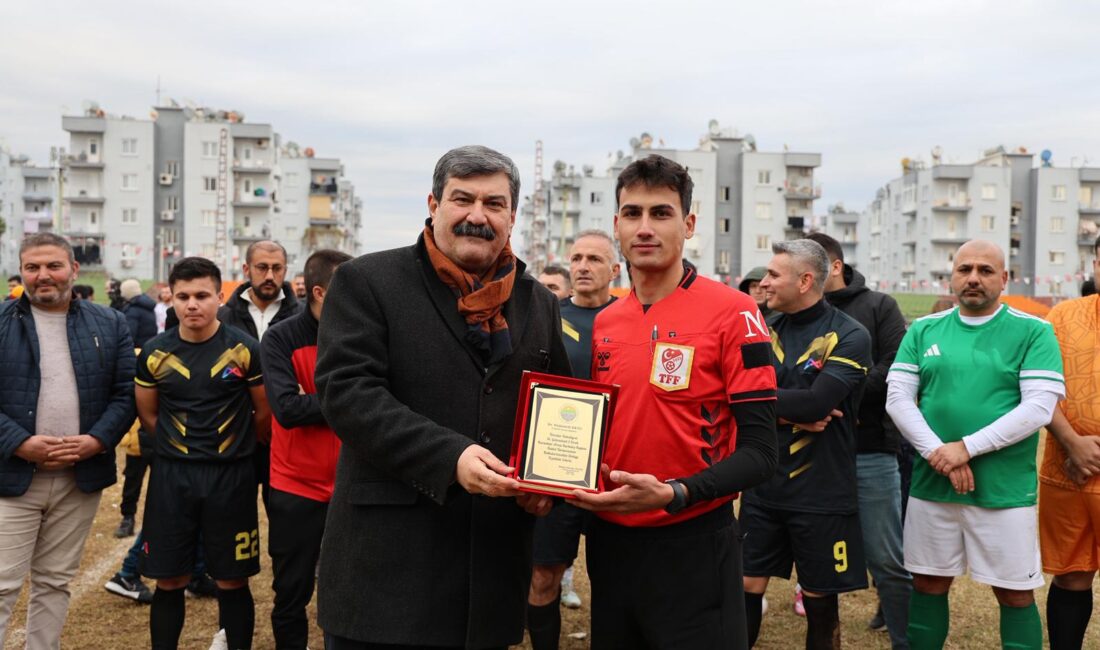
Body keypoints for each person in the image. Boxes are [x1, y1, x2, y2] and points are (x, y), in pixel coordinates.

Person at [314, 145, 571, 649]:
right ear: (433, 204)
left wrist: (552, 480)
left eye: (494, 204)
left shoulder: (537, 300)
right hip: (387, 578)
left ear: (512, 216)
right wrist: (450, 457)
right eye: (463, 199)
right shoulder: (367, 281)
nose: (478, 215)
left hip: (492, 577)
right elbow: (349, 395)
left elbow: (557, 403)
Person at [568, 154, 777, 649]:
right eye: (632, 213)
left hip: (693, 539)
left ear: (688, 224)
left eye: (660, 213)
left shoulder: (735, 311)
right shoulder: (607, 322)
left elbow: (761, 453)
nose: (645, 227)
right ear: (616, 224)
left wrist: (676, 492)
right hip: (609, 540)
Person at [886, 240, 1064, 650]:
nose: (973, 277)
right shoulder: (923, 329)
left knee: (1015, 592)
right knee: (928, 583)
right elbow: (898, 399)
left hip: (1004, 490)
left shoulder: (1034, 330)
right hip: (932, 483)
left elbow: (1039, 407)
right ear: (951, 276)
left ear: (1005, 279)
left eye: (985, 270)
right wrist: (940, 454)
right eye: (964, 269)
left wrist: (966, 448)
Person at [0, 232, 136, 648]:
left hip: (79, 476)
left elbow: (125, 393)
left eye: (53, 266)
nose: (43, 276)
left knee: (54, 582)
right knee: (2, 584)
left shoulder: (110, 322)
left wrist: (97, 440)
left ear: (74, 270)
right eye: (32, 267)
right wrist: (19, 441)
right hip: (12, 475)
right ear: (21, 272)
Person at [741, 239, 872, 649]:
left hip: (822, 492)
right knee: (744, 586)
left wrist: (767, 403)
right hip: (762, 485)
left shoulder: (850, 334)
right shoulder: (760, 329)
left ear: (805, 280)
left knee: (819, 598)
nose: (763, 283)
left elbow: (819, 402)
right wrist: (787, 410)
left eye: (773, 275)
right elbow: (731, 396)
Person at [136, 256, 271, 650]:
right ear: (171, 299)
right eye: (182, 296)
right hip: (172, 478)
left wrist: (228, 448)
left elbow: (263, 413)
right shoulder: (155, 353)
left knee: (232, 579)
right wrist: (183, 448)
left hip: (231, 477)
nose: (192, 304)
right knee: (169, 579)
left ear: (219, 297)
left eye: (201, 295)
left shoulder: (245, 349)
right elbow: (148, 414)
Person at [806, 231, 911, 647]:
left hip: (869, 450)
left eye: (808, 268)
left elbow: (896, 366)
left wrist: (832, 393)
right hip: (811, 449)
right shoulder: (802, 308)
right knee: (817, 558)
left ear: (833, 266)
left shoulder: (879, 306)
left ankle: (904, 638)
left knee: (886, 557)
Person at [526, 230, 620, 650]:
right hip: (556, 466)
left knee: (617, 580)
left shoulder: (631, 319)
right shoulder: (546, 315)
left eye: (595, 259)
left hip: (615, 470)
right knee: (544, 574)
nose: (583, 266)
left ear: (615, 270)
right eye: (577, 257)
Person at [261, 249, 351, 649]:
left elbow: (382, 402)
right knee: (291, 594)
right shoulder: (281, 338)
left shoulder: (363, 336)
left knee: (352, 592)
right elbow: (287, 410)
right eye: (348, 291)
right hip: (295, 485)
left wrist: (314, 398)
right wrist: (350, 401)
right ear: (319, 292)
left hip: (352, 486)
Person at [1038, 235, 1100, 649]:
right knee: (1072, 574)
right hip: (1070, 471)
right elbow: (1036, 388)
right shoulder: (1064, 315)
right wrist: (1070, 440)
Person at [217, 240, 299, 509]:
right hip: (235, 434)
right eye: (262, 267)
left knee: (285, 519)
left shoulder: (302, 317)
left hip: (287, 435)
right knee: (233, 515)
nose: (269, 276)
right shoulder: (222, 318)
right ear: (246, 269)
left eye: (277, 268)